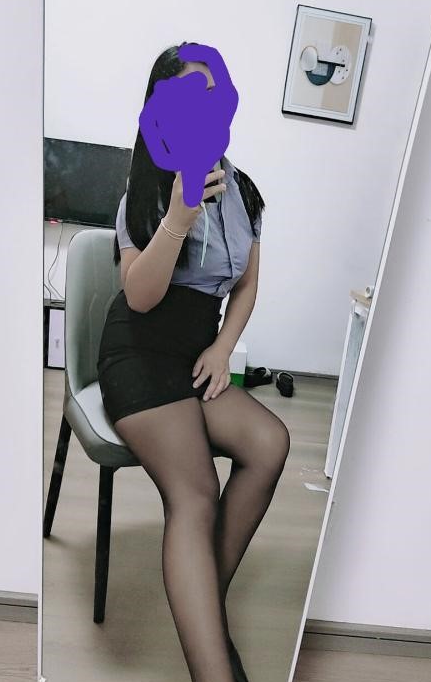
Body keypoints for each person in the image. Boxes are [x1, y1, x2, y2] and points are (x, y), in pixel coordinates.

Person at [96, 42, 291, 682]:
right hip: (140, 351)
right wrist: (178, 217)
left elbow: (247, 286)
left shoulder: (244, 191)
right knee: (196, 492)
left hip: (196, 355)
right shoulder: (146, 189)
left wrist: (223, 347)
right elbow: (139, 296)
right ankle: (213, 664)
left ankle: (202, 600)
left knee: (269, 441)